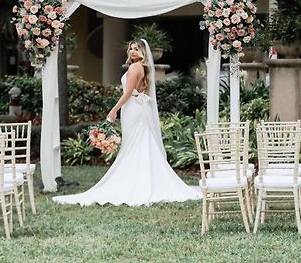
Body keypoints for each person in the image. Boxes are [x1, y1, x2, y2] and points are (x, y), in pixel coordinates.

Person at [52, 39, 202, 206]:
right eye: (131, 49)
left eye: (136, 49)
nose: (132, 52)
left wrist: (114, 109)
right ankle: (145, 178)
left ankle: (134, 181)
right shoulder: (144, 68)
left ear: (143, 52)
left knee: (134, 143)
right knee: (141, 142)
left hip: (132, 109)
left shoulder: (133, 67)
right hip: (139, 109)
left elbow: (128, 93)